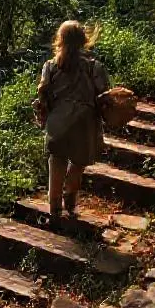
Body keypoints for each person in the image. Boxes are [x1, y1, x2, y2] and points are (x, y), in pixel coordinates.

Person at [33, 20, 110, 220]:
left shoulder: (50, 67)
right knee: (78, 164)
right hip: (84, 124)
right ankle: (70, 200)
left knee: (56, 161)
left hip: (57, 123)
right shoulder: (95, 68)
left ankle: (54, 208)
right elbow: (105, 96)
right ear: (84, 40)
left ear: (60, 40)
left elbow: (43, 95)